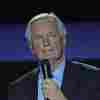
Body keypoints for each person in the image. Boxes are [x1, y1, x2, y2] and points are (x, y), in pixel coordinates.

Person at [8, 12, 100, 100]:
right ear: (31, 47)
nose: (46, 43)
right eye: (39, 38)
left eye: (51, 35)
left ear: (63, 40)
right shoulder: (18, 89)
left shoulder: (93, 79)